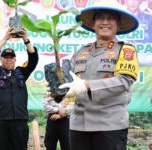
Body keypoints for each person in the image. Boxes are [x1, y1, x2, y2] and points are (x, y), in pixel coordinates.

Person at [57, 0, 140, 150]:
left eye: (111, 18)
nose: (105, 22)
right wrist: (58, 88)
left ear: (118, 24)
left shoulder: (126, 50)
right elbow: (70, 82)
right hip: (78, 126)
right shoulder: (81, 52)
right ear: (93, 24)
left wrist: (86, 85)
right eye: (100, 18)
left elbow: (124, 81)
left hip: (110, 126)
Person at [0, 26, 38, 150]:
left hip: (19, 121)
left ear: (15, 60)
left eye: (11, 58)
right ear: (1, 59)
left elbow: (33, 59)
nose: (8, 60)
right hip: (0, 121)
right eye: (5, 57)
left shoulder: (21, 72)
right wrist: (5, 38)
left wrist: (25, 39)